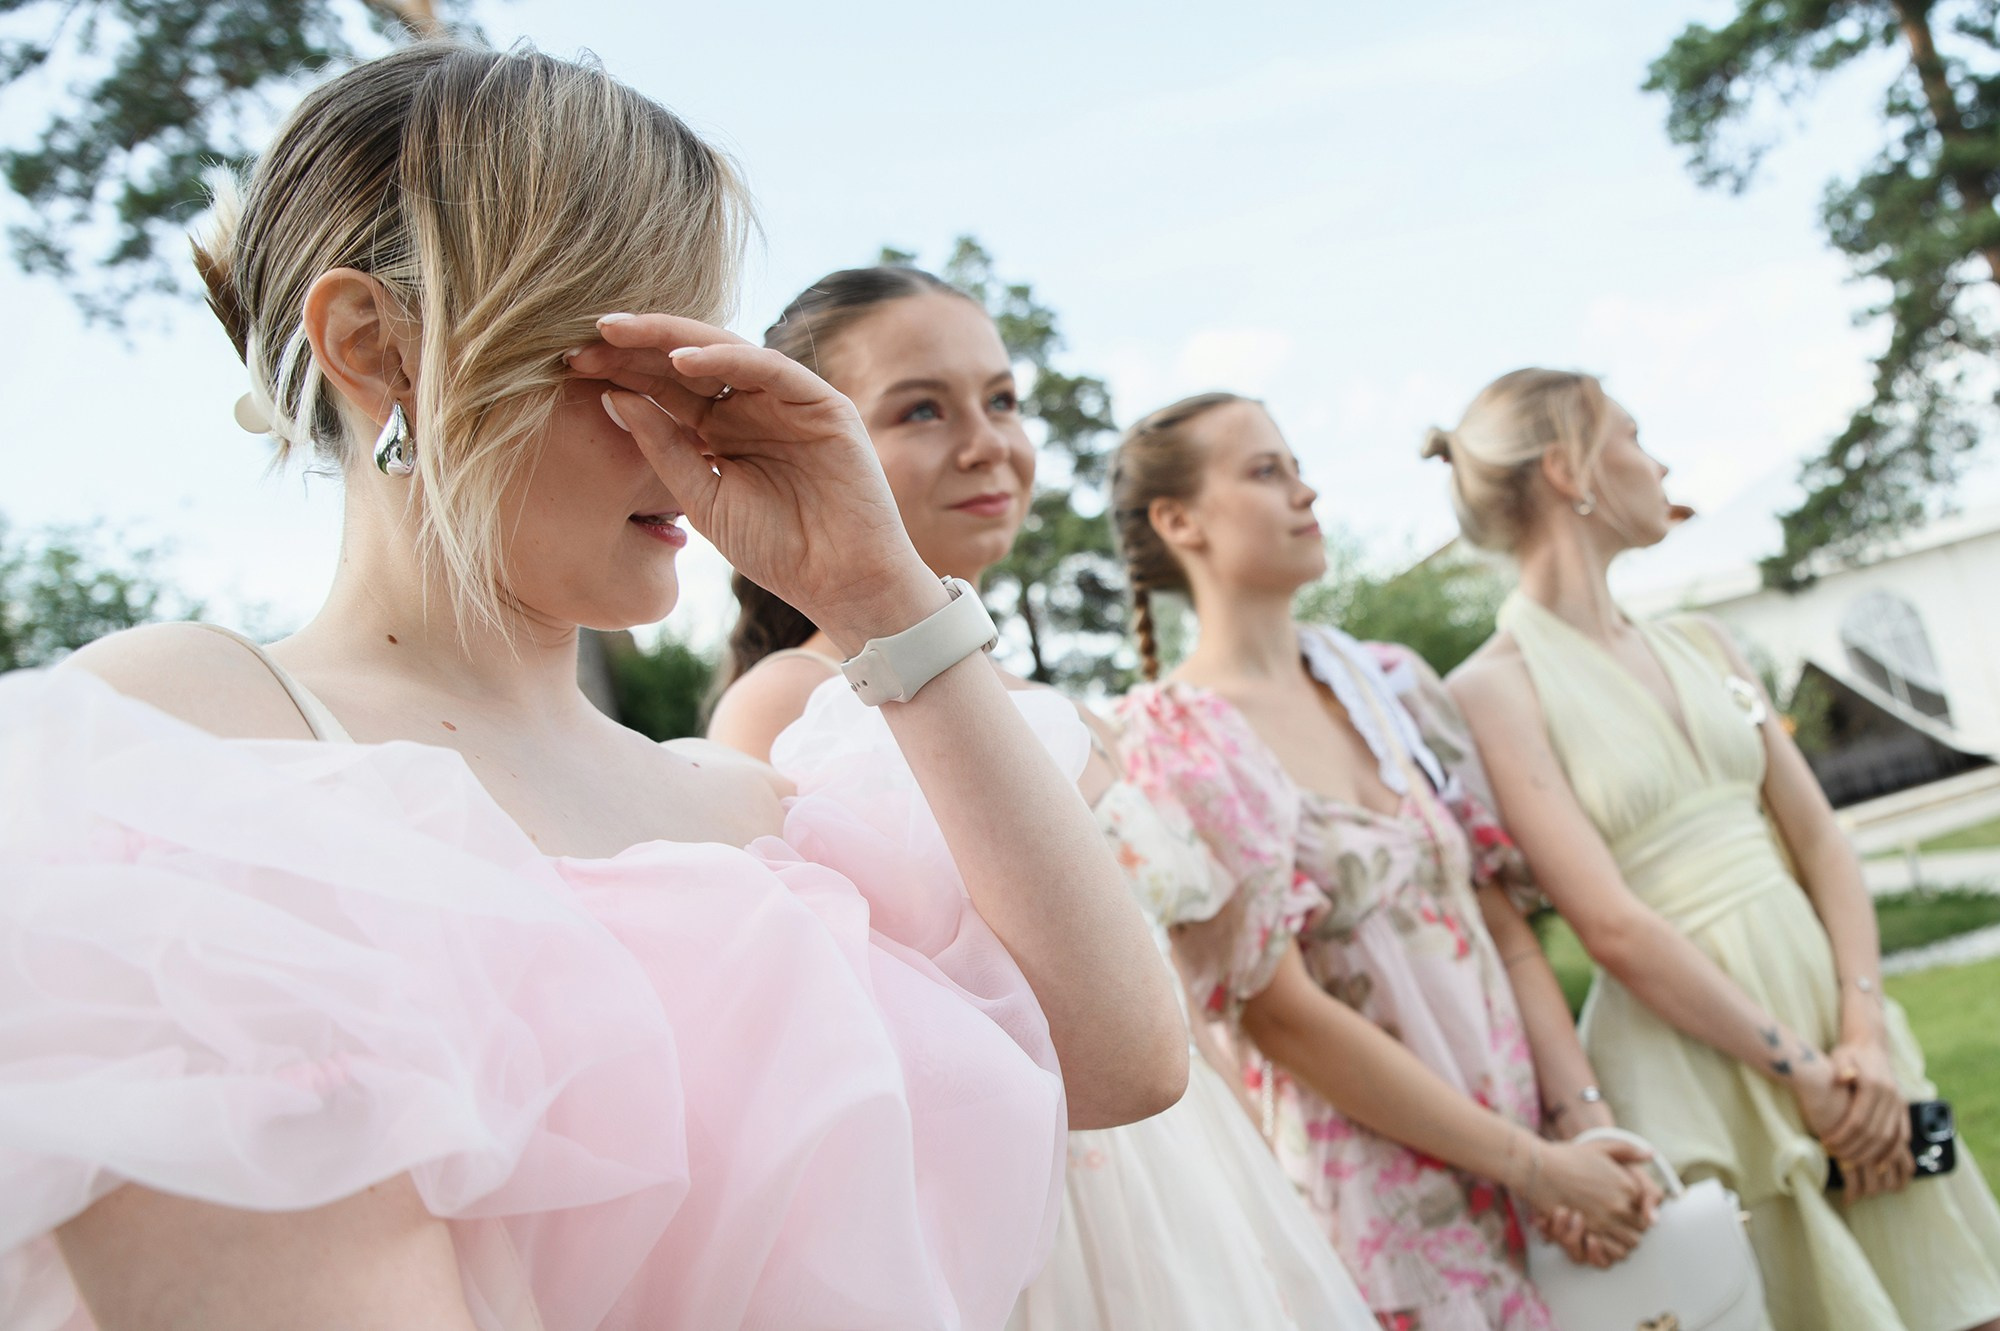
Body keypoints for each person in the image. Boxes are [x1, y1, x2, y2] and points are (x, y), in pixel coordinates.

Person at [0, 44, 1190, 1331]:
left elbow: (1121, 1057)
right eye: (631, 356)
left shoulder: (754, 808)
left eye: (715, 358)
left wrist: (878, 591)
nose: (705, 426)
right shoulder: (196, 733)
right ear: (376, 344)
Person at [706, 266, 1379, 1330]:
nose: (987, 443)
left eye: (1002, 400)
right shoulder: (783, 705)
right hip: (1025, 1228)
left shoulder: (1068, 709)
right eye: (921, 408)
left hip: (1202, 1188)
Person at [1436, 367, 2000, 1331]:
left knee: (1963, 1300)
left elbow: (1820, 839)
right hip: (1700, 1063)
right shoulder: (1493, 690)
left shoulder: (1708, 644)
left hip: (1839, 1024)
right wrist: (1802, 1074)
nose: (1658, 463)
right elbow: (1608, 923)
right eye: (1633, 435)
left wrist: (1858, 1035)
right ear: (1570, 466)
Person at [1108, 390, 1660, 1331]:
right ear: (1179, 520)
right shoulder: (1169, 739)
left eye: (1297, 464)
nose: (1307, 491)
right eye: (1266, 472)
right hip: (1383, 1210)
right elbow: (1284, 1018)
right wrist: (1530, 1164)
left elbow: (1502, 925)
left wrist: (1577, 1123)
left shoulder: (1392, 680)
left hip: (1537, 1159)